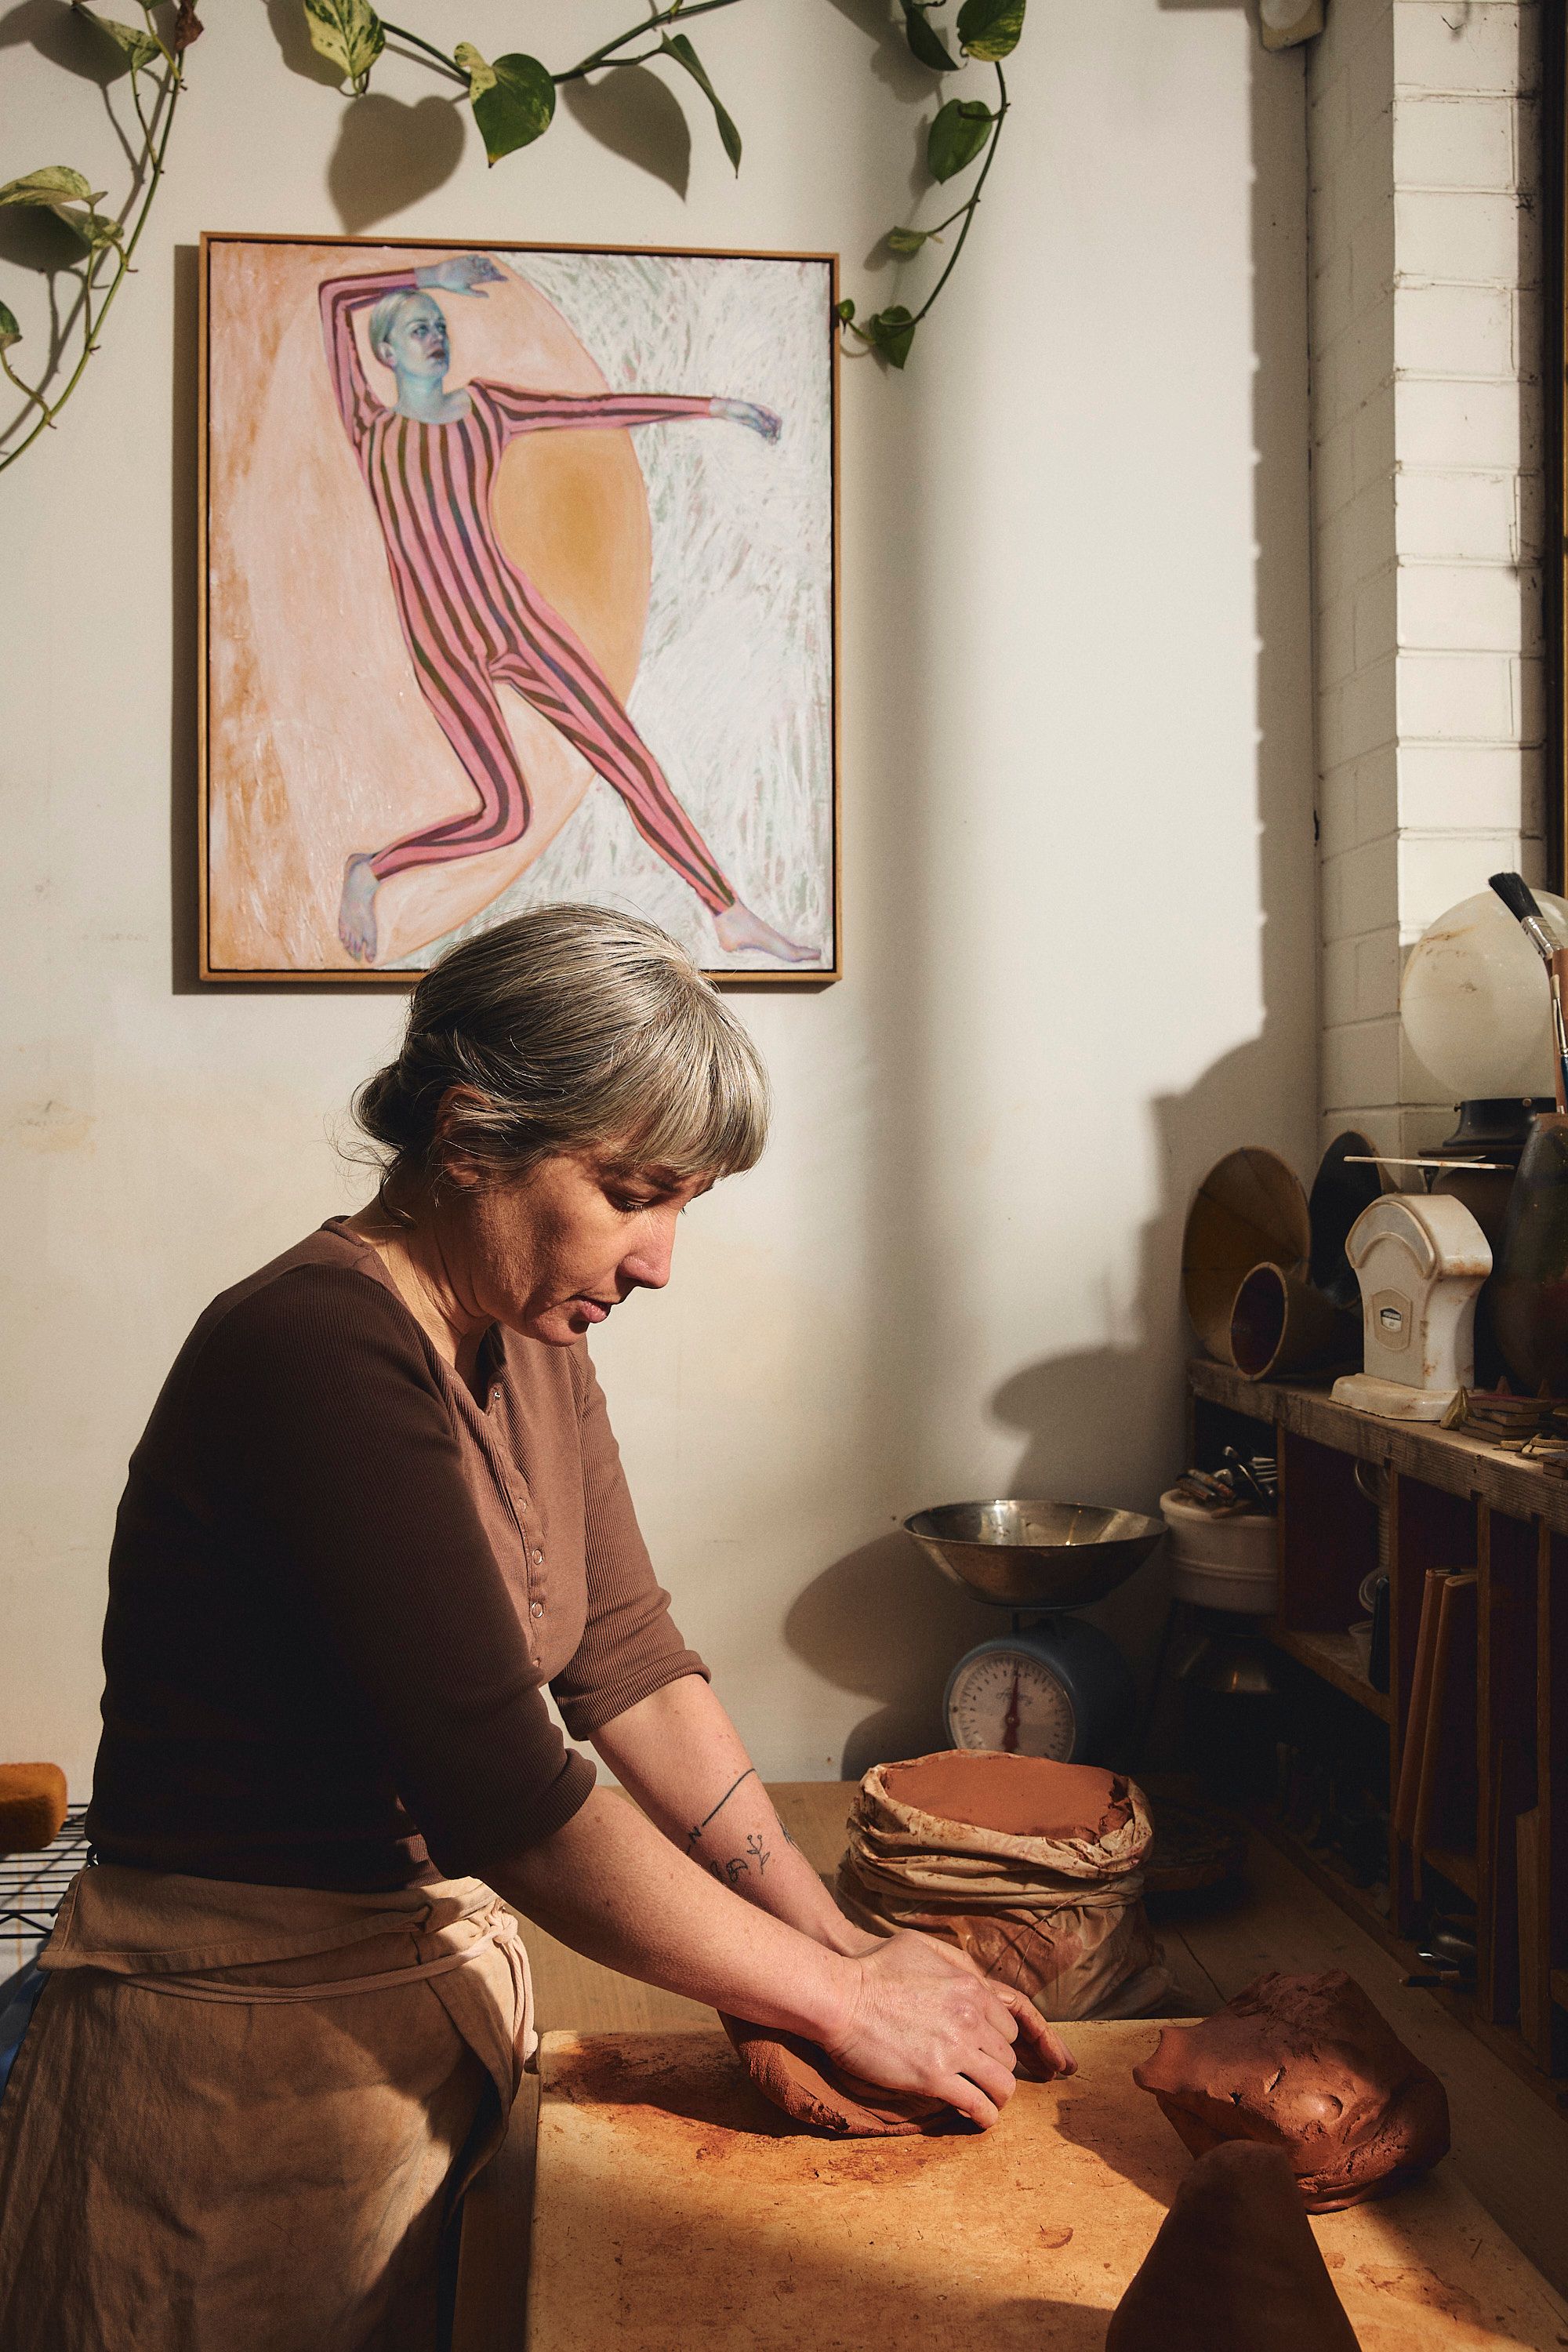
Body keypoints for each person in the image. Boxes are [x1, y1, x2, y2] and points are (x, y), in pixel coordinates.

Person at [0, 906, 1070, 2352]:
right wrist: (832, 1996)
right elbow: (512, 1797)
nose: (659, 1261)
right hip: (223, 2069)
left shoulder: (526, 1337)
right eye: (633, 1191)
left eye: (685, 1203)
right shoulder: (314, 1347)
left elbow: (627, 1665)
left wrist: (843, 1946)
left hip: (403, 2035)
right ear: (468, 1138)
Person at [319, 255, 818, 969]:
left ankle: (730, 914)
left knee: (629, 758)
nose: (435, 335)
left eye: (439, 327)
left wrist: (712, 409)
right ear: (385, 352)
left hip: (515, 619)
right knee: (503, 817)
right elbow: (334, 294)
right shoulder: (369, 427)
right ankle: (369, 870)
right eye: (419, 327)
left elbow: (595, 411)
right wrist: (434, 276)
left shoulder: (487, 408)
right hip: (442, 643)